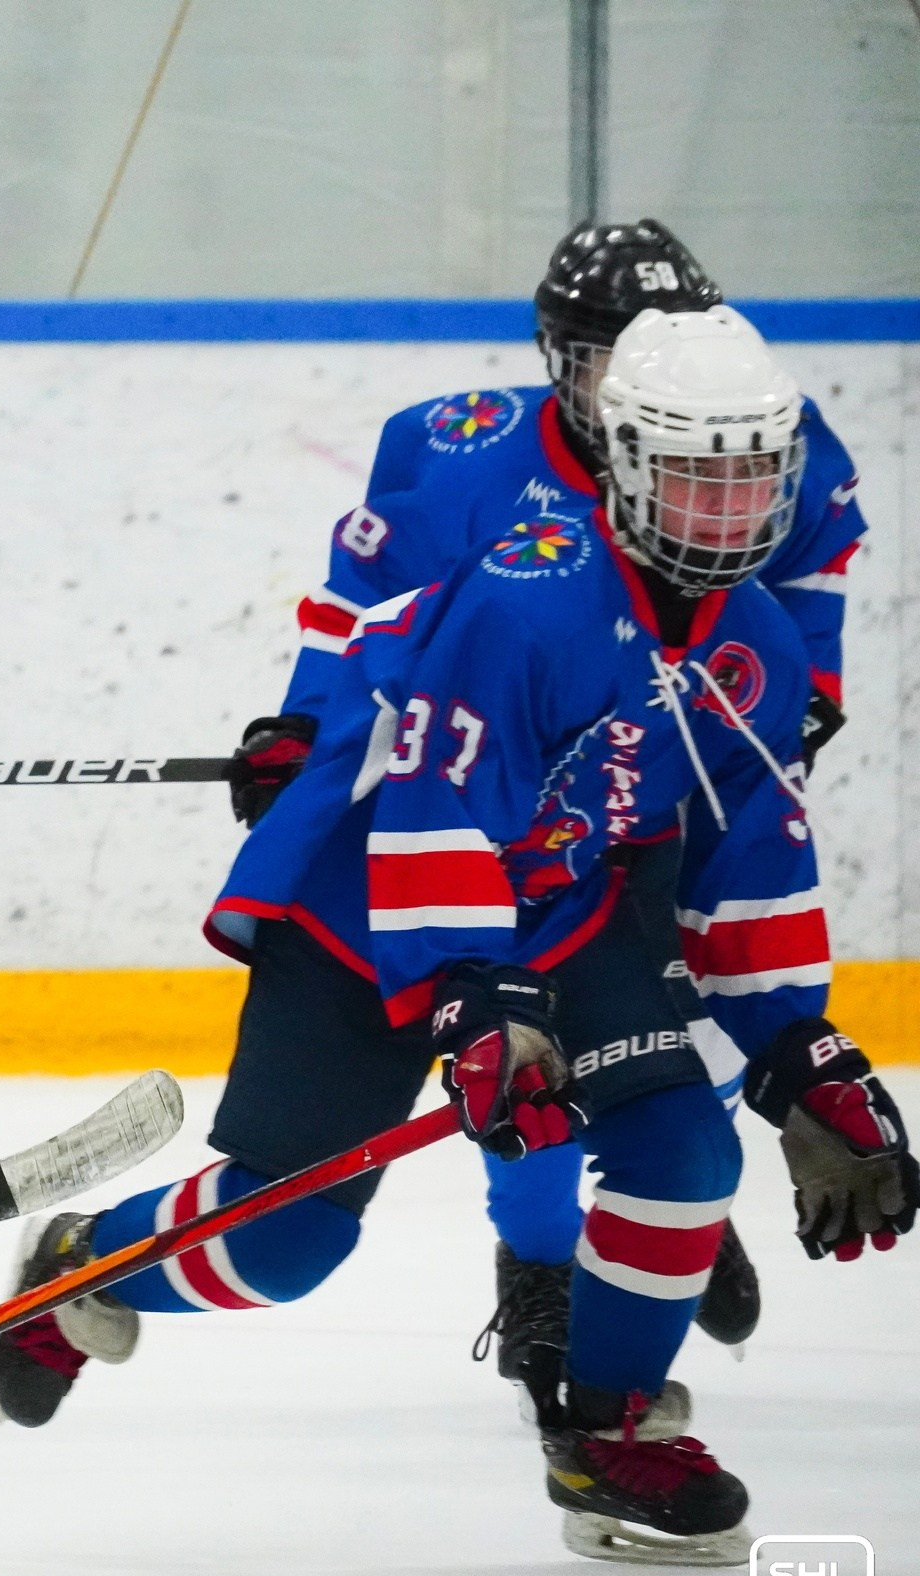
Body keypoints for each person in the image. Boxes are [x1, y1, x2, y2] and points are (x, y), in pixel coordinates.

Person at [0, 307, 913, 1566]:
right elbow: (434, 808)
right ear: (630, 462)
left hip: (560, 910)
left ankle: (606, 1434)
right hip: (372, 911)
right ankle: (85, 1265)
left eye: (752, 477)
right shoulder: (529, 592)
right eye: (698, 475)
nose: (727, 511)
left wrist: (795, 1048)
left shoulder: (752, 643)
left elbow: (746, 870)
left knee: (687, 1157)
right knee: (283, 1243)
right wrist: (475, 1000)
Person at [224, 221, 870, 1411]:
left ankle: (647, 1225)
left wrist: (793, 709)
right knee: (507, 1062)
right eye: (593, 352)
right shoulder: (462, 456)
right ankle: (539, 1262)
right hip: (464, 814)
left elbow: (795, 593)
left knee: (681, 1050)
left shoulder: (762, 437)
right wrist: (308, 726)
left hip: (638, 797)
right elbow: (367, 615)